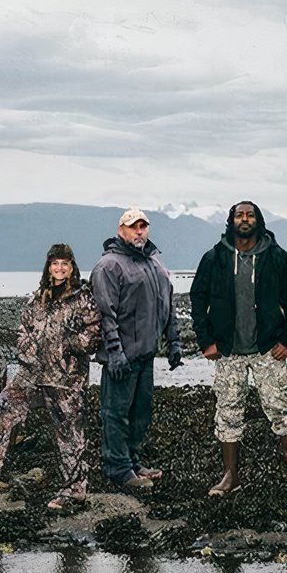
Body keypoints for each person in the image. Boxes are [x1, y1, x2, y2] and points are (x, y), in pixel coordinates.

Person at [191, 201, 287, 497]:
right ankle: (230, 476)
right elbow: (198, 299)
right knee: (228, 412)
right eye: (240, 215)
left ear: (258, 220)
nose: (245, 219)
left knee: (284, 408)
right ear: (231, 221)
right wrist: (206, 341)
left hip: (267, 350)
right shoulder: (215, 258)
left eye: (250, 215)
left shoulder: (276, 257)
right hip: (228, 351)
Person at [0, 245, 101, 510]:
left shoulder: (83, 298)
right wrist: (28, 351)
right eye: (55, 263)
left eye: (65, 263)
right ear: (48, 266)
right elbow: (23, 331)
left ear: (72, 266)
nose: (60, 268)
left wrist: (69, 345)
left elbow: (94, 334)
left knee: (69, 434)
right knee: (3, 406)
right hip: (32, 374)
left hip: (66, 379)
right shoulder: (37, 298)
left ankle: (73, 492)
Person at [92, 208, 184, 491]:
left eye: (143, 226)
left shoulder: (155, 262)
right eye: (133, 227)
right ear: (121, 230)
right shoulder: (109, 266)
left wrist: (174, 340)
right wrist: (115, 351)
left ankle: (132, 460)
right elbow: (105, 313)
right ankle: (117, 467)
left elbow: (166, 304)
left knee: (141, 412)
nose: (139, 231)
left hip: (146, 354)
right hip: (121, 357)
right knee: (115, 412)